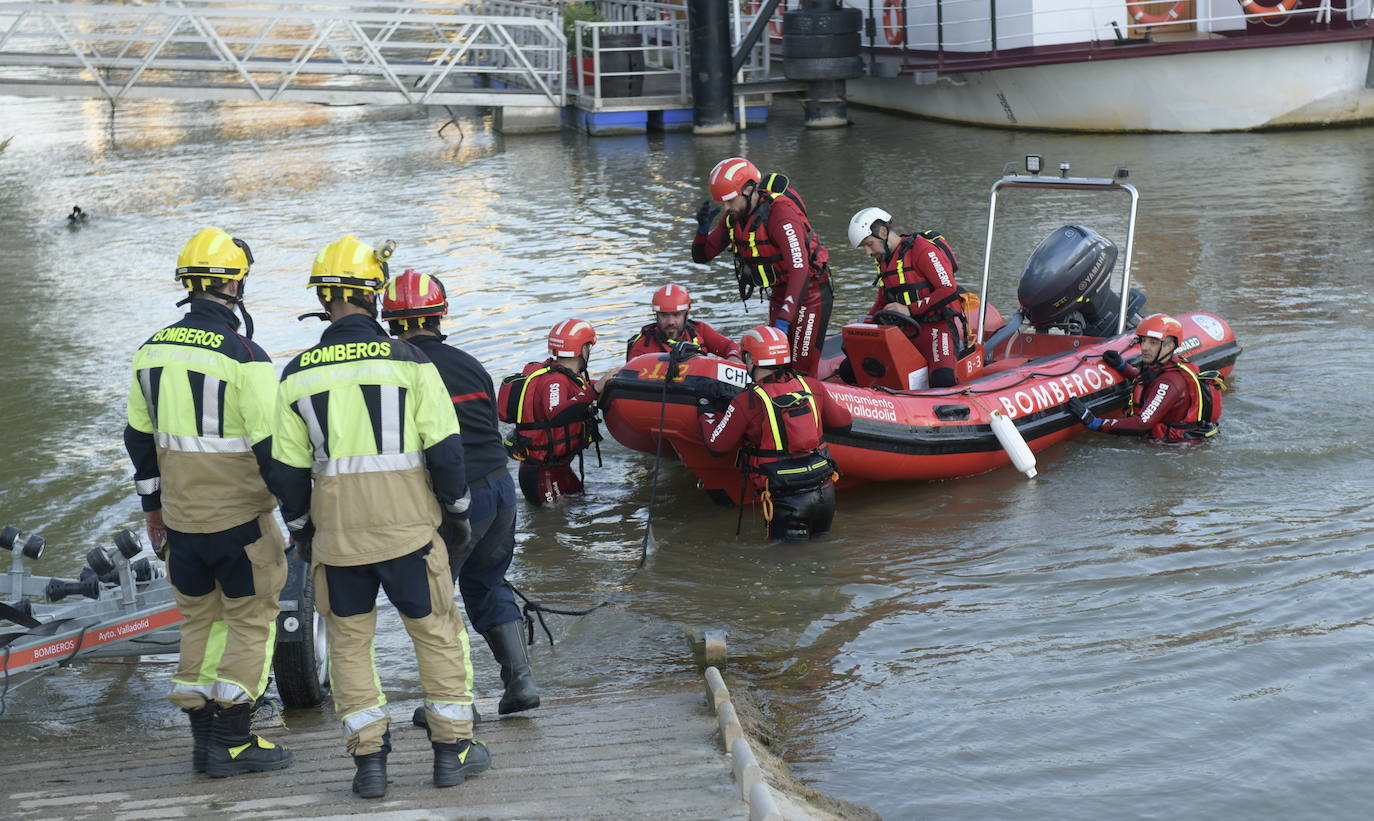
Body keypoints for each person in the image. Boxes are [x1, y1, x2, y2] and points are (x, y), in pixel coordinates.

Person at [273, 236, 490, 799]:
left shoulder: (296, 374)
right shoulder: (411, 361)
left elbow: (287, 473)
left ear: (324, 299)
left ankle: (369, 764)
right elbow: (446, 451)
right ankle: (452, 752)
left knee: (348, 646)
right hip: (410, 535)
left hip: (338, 542)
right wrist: (457, 515)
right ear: (374, 294)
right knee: (437, 635)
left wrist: (302, 532)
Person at [123, 226, 292, 778]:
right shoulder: (246, 355)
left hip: (181, 523)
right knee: (249, 622)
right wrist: (301, 514)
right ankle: (235, 743)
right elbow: (274, 449)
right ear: (235, 285)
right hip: (241, 521)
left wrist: (153, 510)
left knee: (199, 621)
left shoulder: (150, 351)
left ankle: (204, 745)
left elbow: (139, 440)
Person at [380, 270, 539, 717]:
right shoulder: (470, 363)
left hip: (455, 498)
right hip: (500, 489)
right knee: (488, 581)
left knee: (433, 596)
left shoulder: (398, 370)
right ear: (440, 313)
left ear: (391, 321)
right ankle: (521, 683)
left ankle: (450, 702)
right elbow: (487, 428)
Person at [698, 326, 853, 542]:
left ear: (751, 359)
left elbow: (717, 446)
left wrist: (705, 407)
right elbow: (844, 424)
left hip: (787, 502)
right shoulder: (811, 386)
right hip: (825, 494)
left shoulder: (747, 401)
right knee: (822, 554)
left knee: (786, 567)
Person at [691, 157, 833, 376]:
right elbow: (702, 256)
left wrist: (784, 321)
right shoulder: (735, 218)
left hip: (810, 292)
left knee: (801, 369)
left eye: (730, 201)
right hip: (780, 292)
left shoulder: (781, 215)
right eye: (723, 203)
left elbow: (800, 270)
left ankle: (813, 398)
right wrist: (701, 231)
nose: (726, 208)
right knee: (775, 364)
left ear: (749, 189)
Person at [848, 206, 967, 388]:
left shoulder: (922, 249)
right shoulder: (884, 259)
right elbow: (882, 300)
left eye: (869, 244)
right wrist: (864, 328)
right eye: (864, 247)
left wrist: (910, 309)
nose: (868, 252)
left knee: (942, 379)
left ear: (882, 231)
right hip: (904, 329)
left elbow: (948, 288)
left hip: (936, 328)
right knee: (849, 370)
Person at [1068, 313, 1224, 441]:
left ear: (1169, 346)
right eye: (1143, 340)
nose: (1145, 347)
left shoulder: (1170, 382)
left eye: (1153, 342)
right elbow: (1151, 383)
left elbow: (1142, 423)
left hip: (1172, 451)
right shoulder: (1169, 366)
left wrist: (1095, 422)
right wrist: (1123, 367)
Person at [498, 319, 600, 507]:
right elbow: (556, 414)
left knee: (581, 504)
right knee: (552, 524)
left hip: (559, 468)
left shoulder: (566, 376)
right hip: (541, 474)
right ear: (583, 349)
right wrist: (594, 392)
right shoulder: (555, 381)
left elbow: (582, 391)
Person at [624, 283, 741, 361]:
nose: (670, 322)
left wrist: (733, 358)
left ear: (686, 313)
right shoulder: (642, 346)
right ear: (656, 315)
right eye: (664, 315)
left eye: (676, 315)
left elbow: (730, 346)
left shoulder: (700, 330)